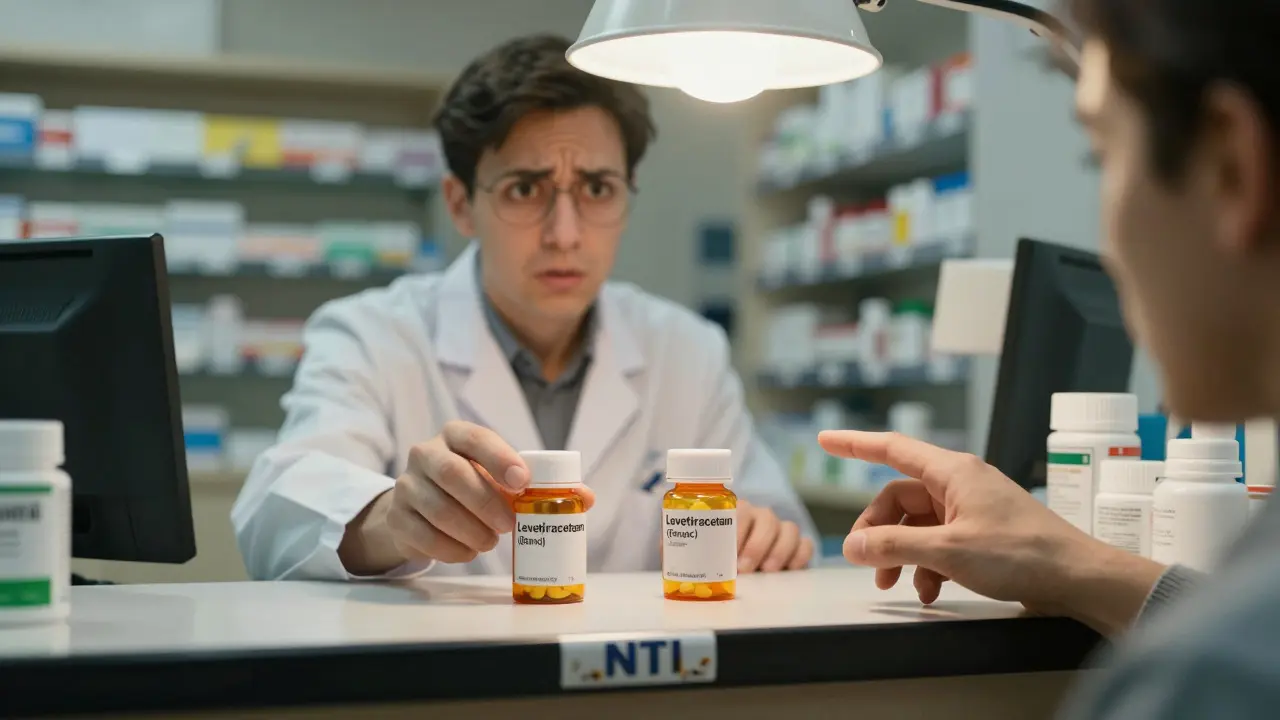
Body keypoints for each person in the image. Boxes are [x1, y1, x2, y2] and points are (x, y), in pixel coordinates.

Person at [819, 0, 1280, 716]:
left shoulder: (1209, 676)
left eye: (1101, 156)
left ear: (1230, 165)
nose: (1111, 243)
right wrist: (1071, 566)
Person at [230, 34, 816, 582]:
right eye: (525, 189)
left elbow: (776, 521)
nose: (565, 234)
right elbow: (276, 512)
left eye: (596, 189)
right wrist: (391, 519)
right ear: (461, 204)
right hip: (449, 677)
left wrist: (763, 539)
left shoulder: (687, 351)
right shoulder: (371, 335)